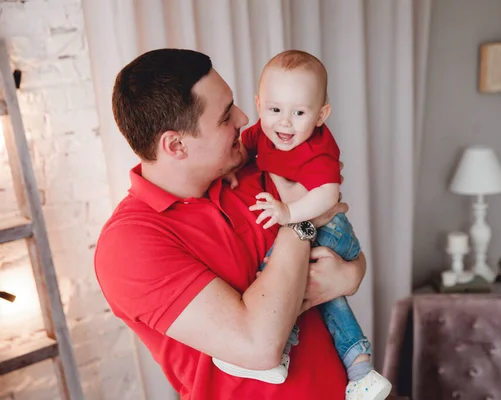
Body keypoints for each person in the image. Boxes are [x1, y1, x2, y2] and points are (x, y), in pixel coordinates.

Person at [94, 48, 368, 400]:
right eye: (225, 116)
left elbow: (339, 236)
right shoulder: (130, 245)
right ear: (175, 145)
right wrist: (299, 220)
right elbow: (259, 346)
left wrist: (351, 274)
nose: (243, 118)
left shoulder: (253, 169)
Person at [211, 50, 392, 400]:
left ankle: (281, 351)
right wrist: (234, 168)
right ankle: (361, 369)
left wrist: (288, 213)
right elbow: (247, 148)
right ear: (260, 104)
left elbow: (328, 194)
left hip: (334, 228)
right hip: (318, 227)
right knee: (325, 300)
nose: (285, 124)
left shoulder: (318, 148)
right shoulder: (262, 133)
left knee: (277, 275)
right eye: (275, 110)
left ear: (322, 115)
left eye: (299, 113)